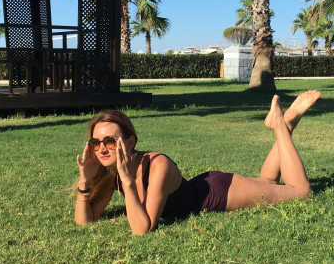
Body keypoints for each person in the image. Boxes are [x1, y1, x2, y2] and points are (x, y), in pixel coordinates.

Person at [74, 90, 321, 235]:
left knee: (301, 192)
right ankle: (285, 124)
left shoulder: (157, 165)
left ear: (130, 142)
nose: (102, 148)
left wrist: (128, 183)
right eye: (95, 142)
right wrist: (85, 183)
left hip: (218, 194)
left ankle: (279, 125)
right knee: (267, 181)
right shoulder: (112, 172)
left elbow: (143, 229)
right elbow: (86, 221)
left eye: (109, 141)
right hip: (204, 184)